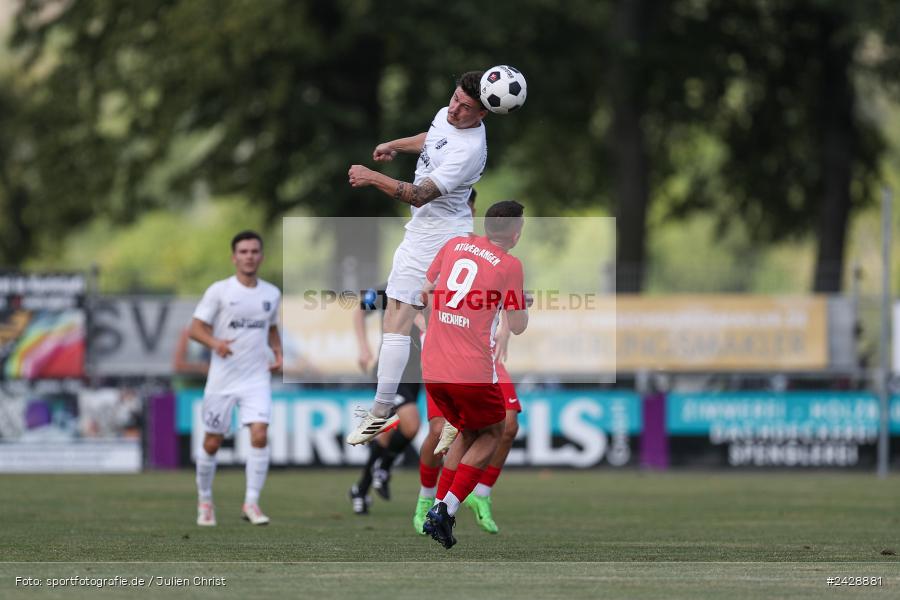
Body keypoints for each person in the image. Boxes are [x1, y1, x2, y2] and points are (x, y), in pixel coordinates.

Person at [345, 70, 489, 445]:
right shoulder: (448, 115)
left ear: (483, 114)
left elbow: (419, 195)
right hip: (420, 236)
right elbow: (433, 138)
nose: (455, 109)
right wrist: (395, 144)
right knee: (397, 325)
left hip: (444, 237)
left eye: (466, 106)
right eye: (455, 99)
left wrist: (372, 176)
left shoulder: (470, 151)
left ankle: (454, 413)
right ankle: (380, 412)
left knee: (440, 324)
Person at [418, 200, 529, 549]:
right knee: (495, 432)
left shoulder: (454, 244)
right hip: (470, 368)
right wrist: (521, 304)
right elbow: (519, 325)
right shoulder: (510, 265)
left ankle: (436, 509)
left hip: (433, 364)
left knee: (467, 431)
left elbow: (425, 289)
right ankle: (445, 510)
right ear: (516, 232)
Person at [189, 231, 283, 527]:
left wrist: (278, 352)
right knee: (213, 442)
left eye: (254, 251)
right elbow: (195, 329)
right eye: (243, 252)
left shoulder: (271, 293)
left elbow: (271, 328)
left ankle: (251, 503)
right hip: (222, 380)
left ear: (261, 256)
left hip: (256, 378)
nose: (249, 256)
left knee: (259, 434)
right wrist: (215, 343)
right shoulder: (220, 291)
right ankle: (205, 500)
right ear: (234, 257)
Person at [348, 285, 425, 514]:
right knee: (412, 424)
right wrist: (363, 348)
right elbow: (360, 310)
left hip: (416, 374)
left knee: (385, 435)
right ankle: (385, 468)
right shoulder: (390, 289)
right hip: (392, 371)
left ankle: (360, 489)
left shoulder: (436, 291)